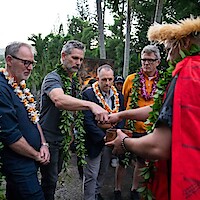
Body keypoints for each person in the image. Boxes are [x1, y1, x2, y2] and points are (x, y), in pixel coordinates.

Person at [107, 17, 200, 200]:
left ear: (185, 43)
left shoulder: (188, 72)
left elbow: (159, 147)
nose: (167, 58)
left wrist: (124, 142)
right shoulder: (132, 80)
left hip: (185, 176)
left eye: (168, 50)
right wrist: (120, 115)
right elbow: (163, 109)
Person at [39, 40, 109, 200]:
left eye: (81, 59)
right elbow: (59, 100)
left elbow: (75, 111)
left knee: (53, 179)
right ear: (63, 56)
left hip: (63, 139)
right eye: (75, 58)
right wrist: (91, 105)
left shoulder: (73, 82)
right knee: (49, 182)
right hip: (48, 139)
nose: (78, 63)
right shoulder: (53, 78)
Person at [0, 42, 50, 200]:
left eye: (32, 63)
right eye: (25, 62)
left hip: (30, 160)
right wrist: (36, 155)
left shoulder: (19, 86)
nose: (30, 67)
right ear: (9, 60)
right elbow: (10, 135)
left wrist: (44, 144)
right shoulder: (2, 88)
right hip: (19, 164)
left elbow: (34, 119)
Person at [113, 45, 164, 200]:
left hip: (149, 129)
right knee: (123, 161)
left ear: (158, 62)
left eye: (150, 60)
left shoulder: (163, 80)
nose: (146, 63)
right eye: (144, 60)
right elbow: (123, 101)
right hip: (130, 128)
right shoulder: (131, 79)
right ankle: (117, 189)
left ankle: (135, 189)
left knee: (141, 162)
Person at [82, 64, 125, 200]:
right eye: (104, 79)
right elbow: (87, 121)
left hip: (111, 141)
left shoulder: (119, 96)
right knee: (91, 174)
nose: (107, 83)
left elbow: (122, 117)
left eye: (110, 79)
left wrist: (117, 134)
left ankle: (97, 193)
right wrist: (103, 138)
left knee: (103, 171)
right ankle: (89, 197)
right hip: (95, 141)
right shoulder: (88, 94)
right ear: (97, 78)